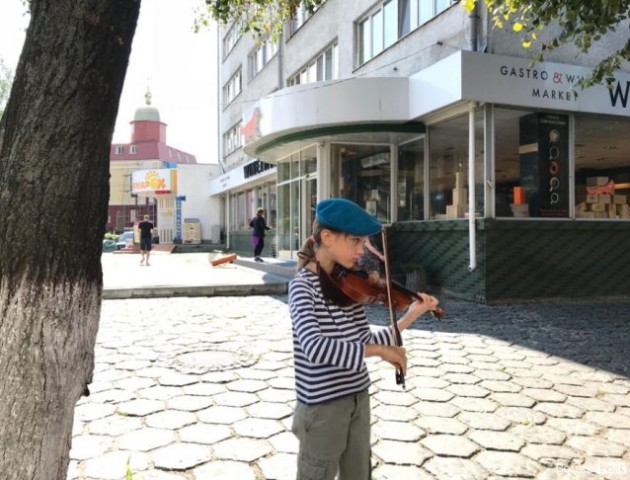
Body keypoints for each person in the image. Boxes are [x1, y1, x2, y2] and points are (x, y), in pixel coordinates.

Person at [288, 198, 439, 480]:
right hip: (322, 408)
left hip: (358, 398)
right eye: (356, 241)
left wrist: (411, 315)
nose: (362, 251)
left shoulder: (346, 286)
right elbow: (314, 348)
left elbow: (364, 338)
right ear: (328, 237)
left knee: (359, 474)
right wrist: (380, 352)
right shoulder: (301, 288)